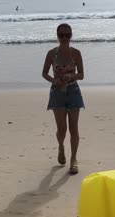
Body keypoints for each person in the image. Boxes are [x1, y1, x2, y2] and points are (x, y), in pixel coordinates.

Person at [42, 23, 84, 174]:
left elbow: (81, 75)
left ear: (71, 36)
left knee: (74, 128)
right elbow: (45, 73)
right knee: (62, 129)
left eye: (67, 35)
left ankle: (73, 160)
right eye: (61, 35)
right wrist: (55, 81)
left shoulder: (76, 53)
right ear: (57, 36)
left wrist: (71, 75)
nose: (65, 38)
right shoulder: (52, 54)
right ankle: (61, 146)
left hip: (73, 91)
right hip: (57, 92)